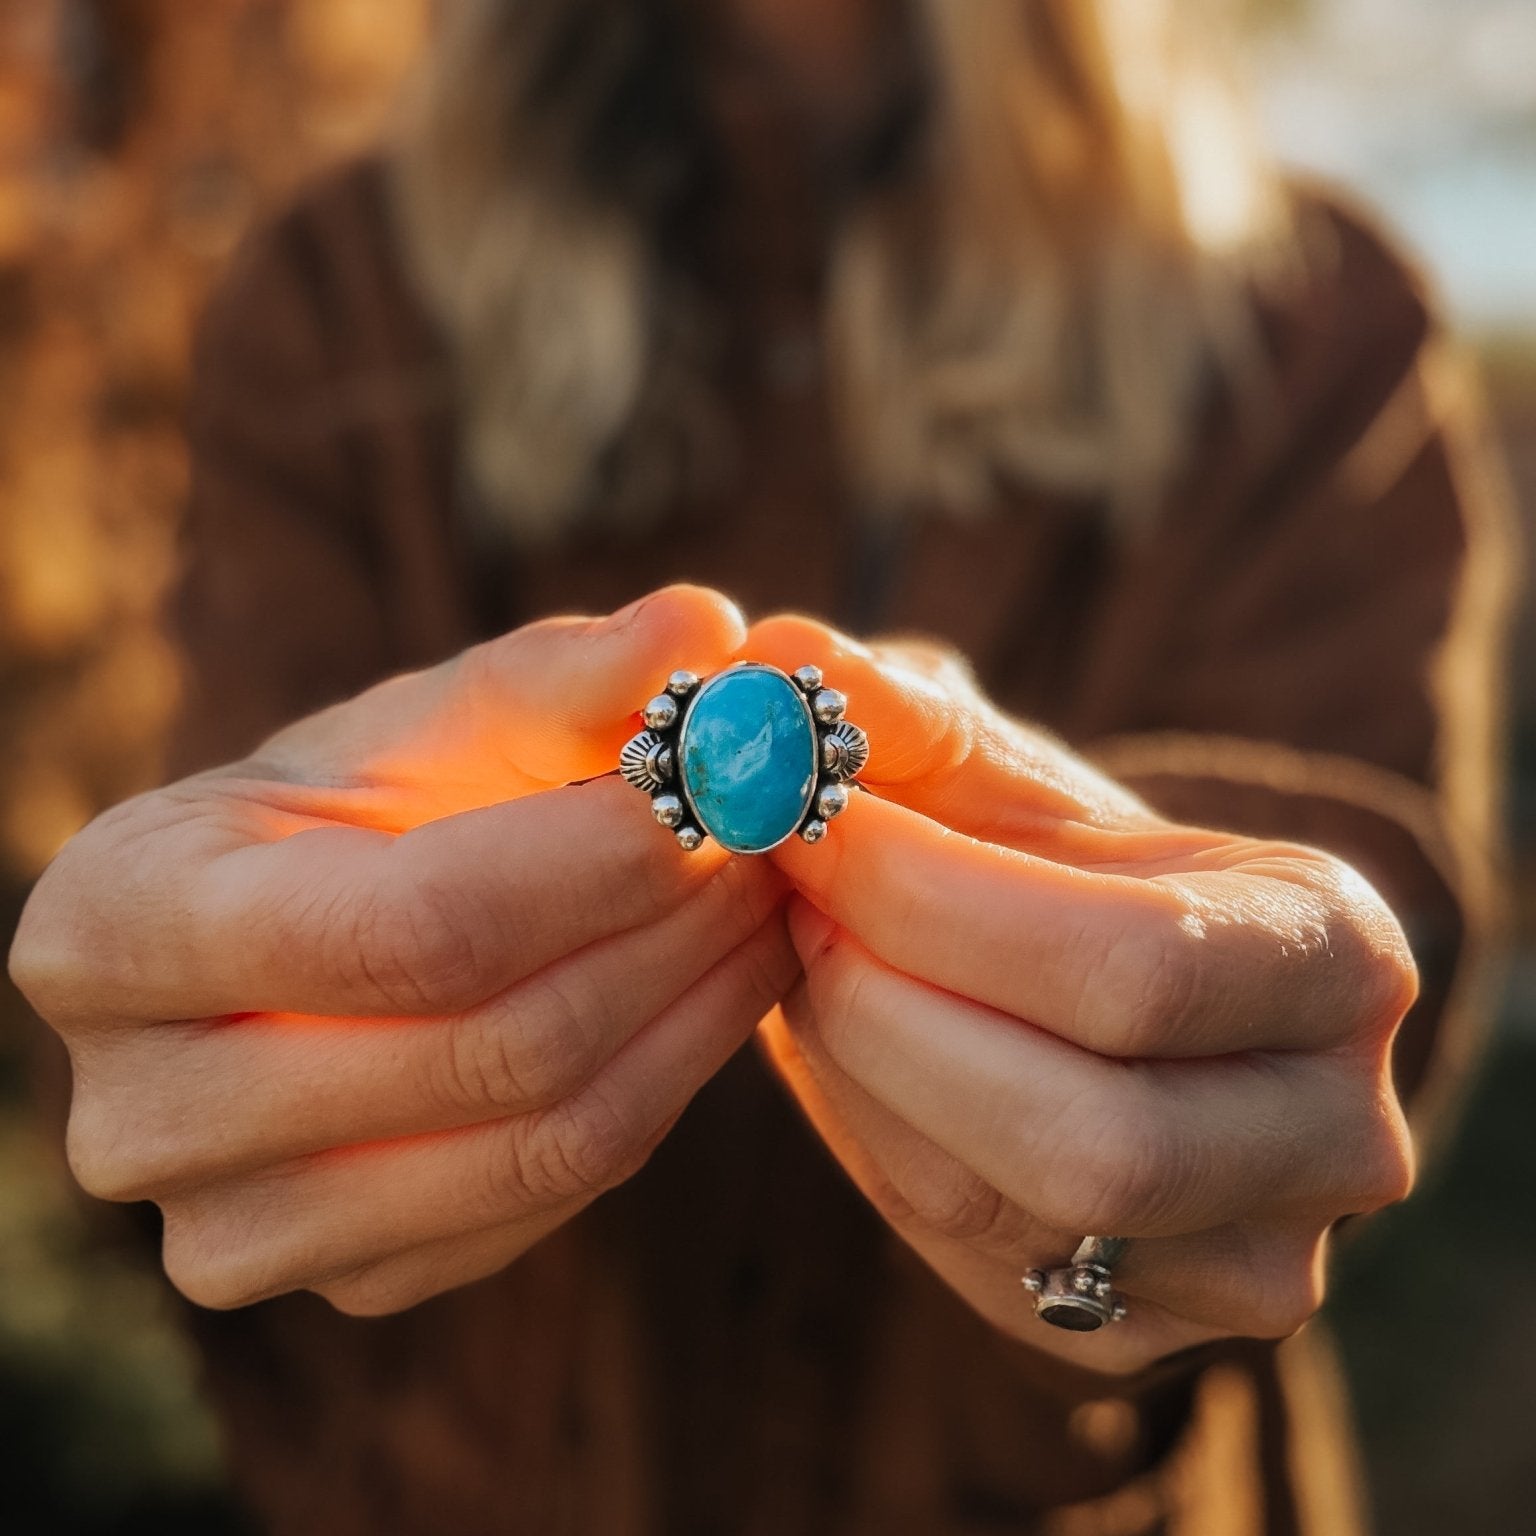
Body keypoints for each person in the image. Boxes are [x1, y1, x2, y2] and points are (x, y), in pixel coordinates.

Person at [8, 1, 1516, 1531]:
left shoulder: (1305, 323)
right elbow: (205, 989)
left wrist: (1175, 1108)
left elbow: (1374, 894)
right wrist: (190, 1049)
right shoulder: (336, 301)